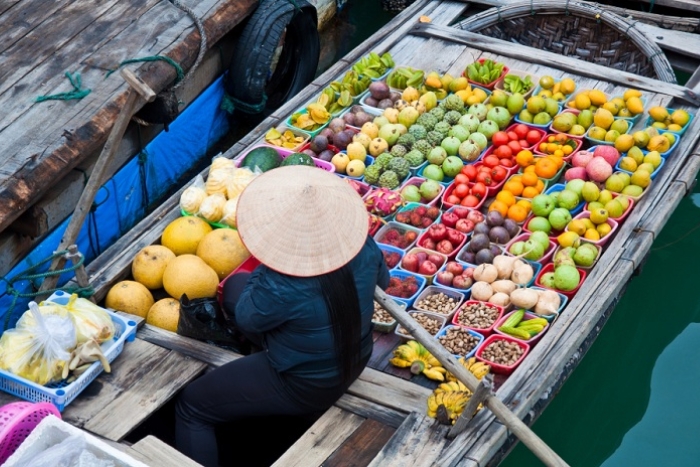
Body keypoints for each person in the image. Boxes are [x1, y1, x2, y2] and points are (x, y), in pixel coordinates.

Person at [175, 165, 390, 466]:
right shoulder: (362, 245)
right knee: (236, 286)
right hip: (357, 353)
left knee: (192, 407)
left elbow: (249, 319)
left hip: (307, 383)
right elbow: (383, 282)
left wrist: (271, 267)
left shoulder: (282, 282)